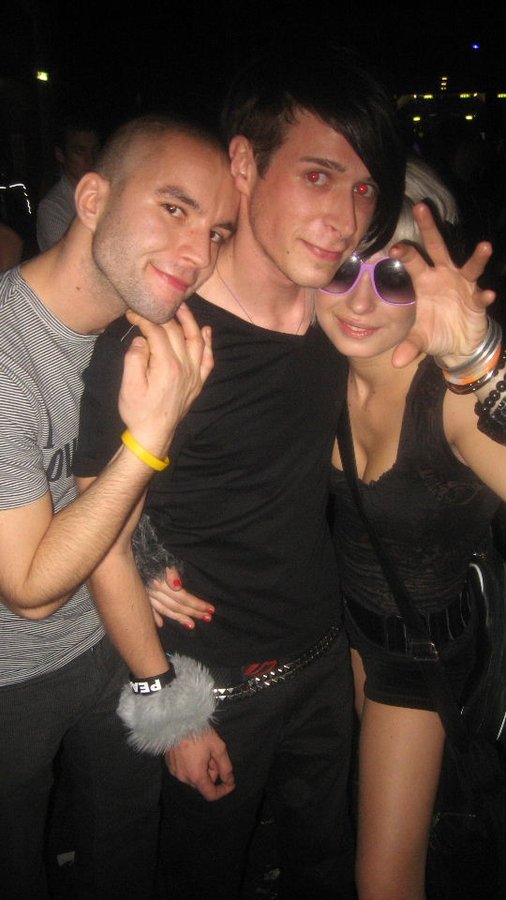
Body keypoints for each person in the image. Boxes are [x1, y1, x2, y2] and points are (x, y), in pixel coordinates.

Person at [73, 43, 407, 900]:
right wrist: (169, 711)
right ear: (246, 164)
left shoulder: (346, 319)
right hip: (209, 689)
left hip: (324, 661)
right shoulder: (158, 341)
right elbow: (98, 536)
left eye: (364, 188)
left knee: (327, 864)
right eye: (320, 176)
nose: (346, 216)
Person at [0, 113, 238, 900]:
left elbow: (101, 504)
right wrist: (152, 436)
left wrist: (143, 558)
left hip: (106, 642)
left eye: (217, 232)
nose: (198, 254)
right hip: (10, 678)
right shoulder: (7, 357)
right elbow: (32, 590)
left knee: (128, 853)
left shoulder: (134, 335)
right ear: (93, 199)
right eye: (174, 209)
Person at [314, 157, 506, 900]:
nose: (360, 301)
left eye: (393, 277)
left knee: (384, 879)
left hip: (423, 651)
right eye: (341, 270)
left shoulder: (451, 398)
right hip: (344, 631)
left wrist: (481, 358)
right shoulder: (316, 367)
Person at [36, 115, 100, 251]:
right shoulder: (52, 207)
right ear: (60, 155)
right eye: (80, 151)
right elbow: (72, 257)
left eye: (94, 150)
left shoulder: (107, 193)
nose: (90, 159)